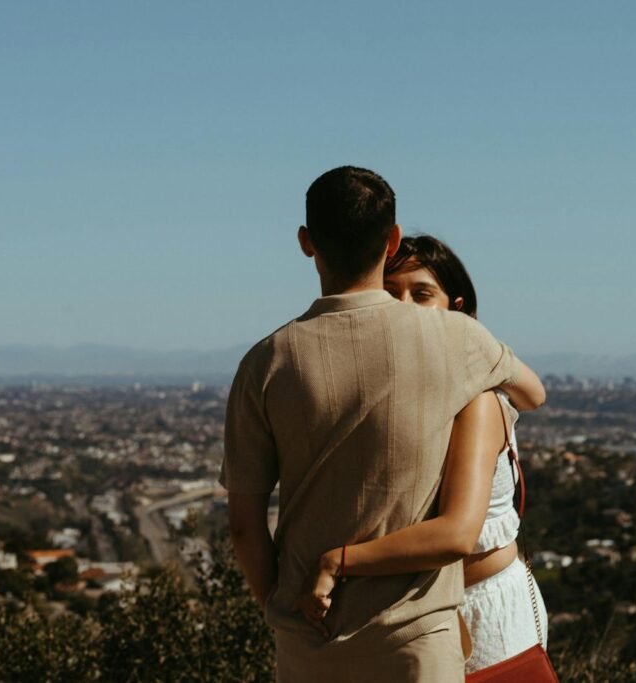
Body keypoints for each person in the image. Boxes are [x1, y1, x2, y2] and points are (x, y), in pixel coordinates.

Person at [220, 167, 546, 683]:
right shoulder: (457, 338)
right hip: (416, 642)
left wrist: (280, 613)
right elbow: (535, 392)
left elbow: (244, 525)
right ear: (391, 240)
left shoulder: (264, 363)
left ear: (307, 243)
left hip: (309, 644)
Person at [295, 235, 549, 674]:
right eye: (391, 294)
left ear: (457, 308)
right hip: (414, 613)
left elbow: (456, 533)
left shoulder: (478, 400)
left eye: (422, 294)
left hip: (483, 609)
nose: (406, 307)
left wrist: (338, 561)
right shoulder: (391, 399)